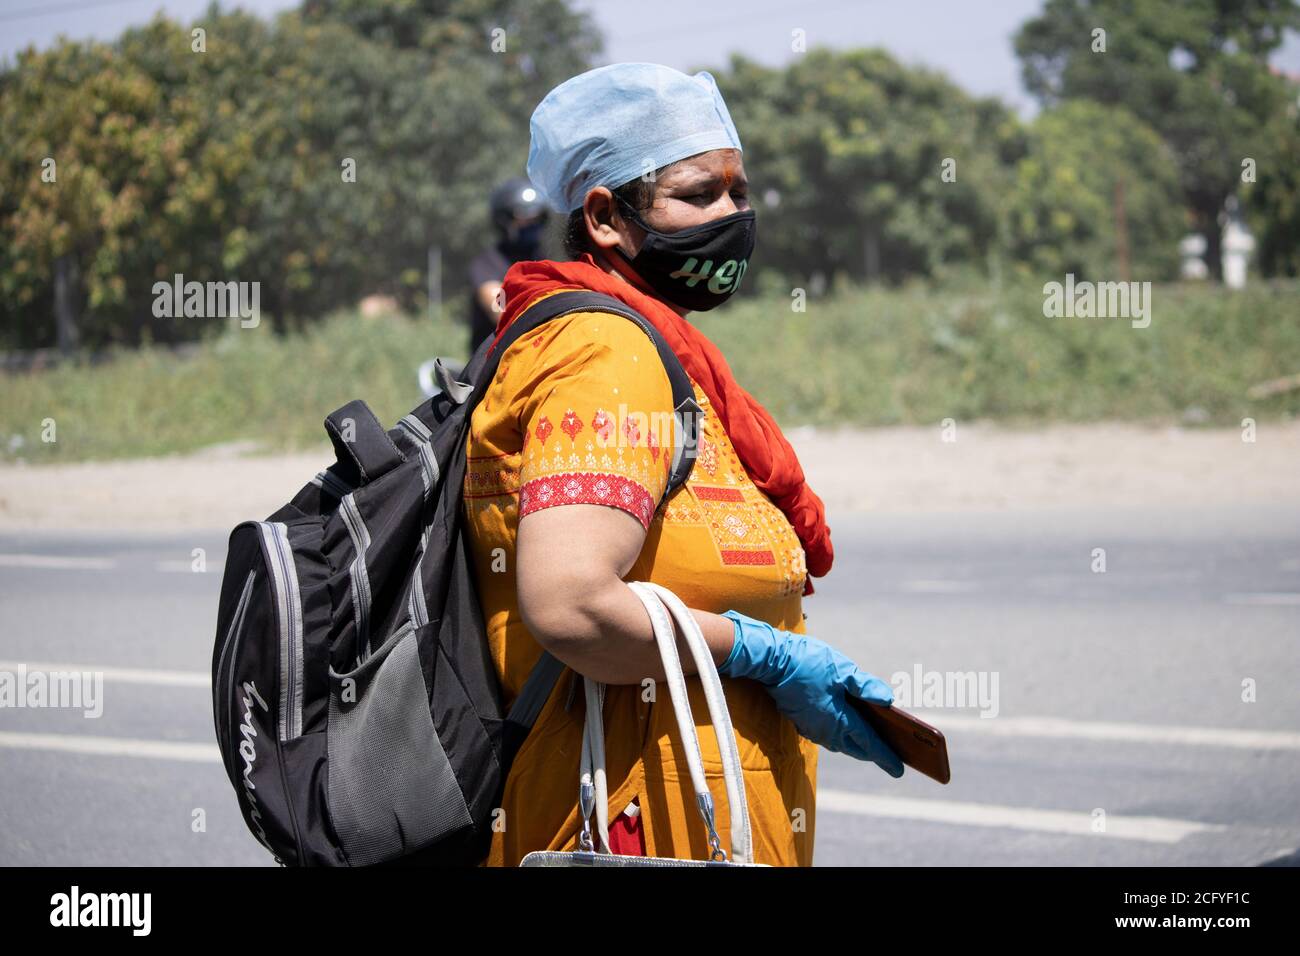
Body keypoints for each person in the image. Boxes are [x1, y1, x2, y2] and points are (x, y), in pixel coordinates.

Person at [463, 62, 902, 868]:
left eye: (738, 191)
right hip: (633, 811)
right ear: (605, 217)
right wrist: (765, 652)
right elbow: (571, 606)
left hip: (680, 798)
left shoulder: (654, 349)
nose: (732, 216)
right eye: (700, 195)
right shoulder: (604, 351)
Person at [464, 177, 549, 353]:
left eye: (537, 218)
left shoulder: (543, 261)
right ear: (504, 221)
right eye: (526, 219)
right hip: (494, 367)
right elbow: (500, 311)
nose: (533, 225)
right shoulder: (488, 263)